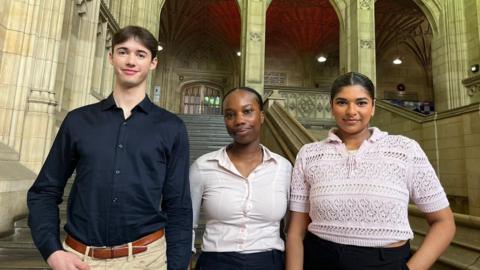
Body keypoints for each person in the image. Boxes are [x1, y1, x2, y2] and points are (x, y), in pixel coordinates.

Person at [27, 25, 192, 270]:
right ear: (111, 57)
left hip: (147, 260)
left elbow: (178, 207)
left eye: (140, 54)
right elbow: (43, 192)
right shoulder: (78, 121)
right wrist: (52, 251)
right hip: (80, 260)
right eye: (123, 51)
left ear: (153, 63)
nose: (131, 61)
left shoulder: (171, 127)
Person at [286, 72, 455, 270]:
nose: (351, 111)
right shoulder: (308, 154)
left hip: (386, 262)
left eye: (361, 102)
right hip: (320, 259)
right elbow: (296, 232)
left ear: (373, 106)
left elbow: (444, 222)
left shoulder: (405, 150)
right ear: (331, 106)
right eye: (342, 102)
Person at [189, 87, 292, 270]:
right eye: (230, 115)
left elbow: (292, 229)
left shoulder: (283, 168)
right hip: (216, 262)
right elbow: (187, 224)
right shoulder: (203, 166)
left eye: (247, 111)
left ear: (261, 116)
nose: (239, 120)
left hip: (269, 262)